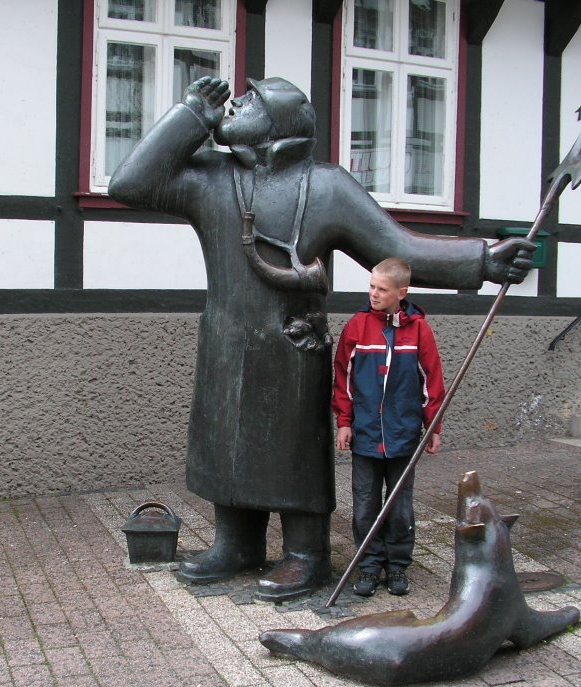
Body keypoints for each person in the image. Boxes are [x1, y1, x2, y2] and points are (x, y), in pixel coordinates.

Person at [108, 76, 533, 602]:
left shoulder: (326, 186)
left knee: (291, 449)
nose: (234, 102)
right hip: (224, 340)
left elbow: (396, 246)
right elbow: (128, 184)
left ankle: (305, 554)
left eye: (251, 100)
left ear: (279, 124)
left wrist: (484, 260)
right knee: (225, 441)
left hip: (292, 345)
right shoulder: (209, 178)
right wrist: (191, 114)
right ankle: (236, 544)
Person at [332, 258, 443, 597]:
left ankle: (397, 566)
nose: (374, 294)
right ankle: (367, 566)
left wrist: (433, 426)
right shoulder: (357, 326)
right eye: (371, 287)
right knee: (365, 504)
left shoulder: (420, 330)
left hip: (403, 435)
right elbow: (343, 379)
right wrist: (344, 422)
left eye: (381, 289)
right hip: (364, 434)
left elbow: (432, 381)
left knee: (399, 505)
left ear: (401, 292)